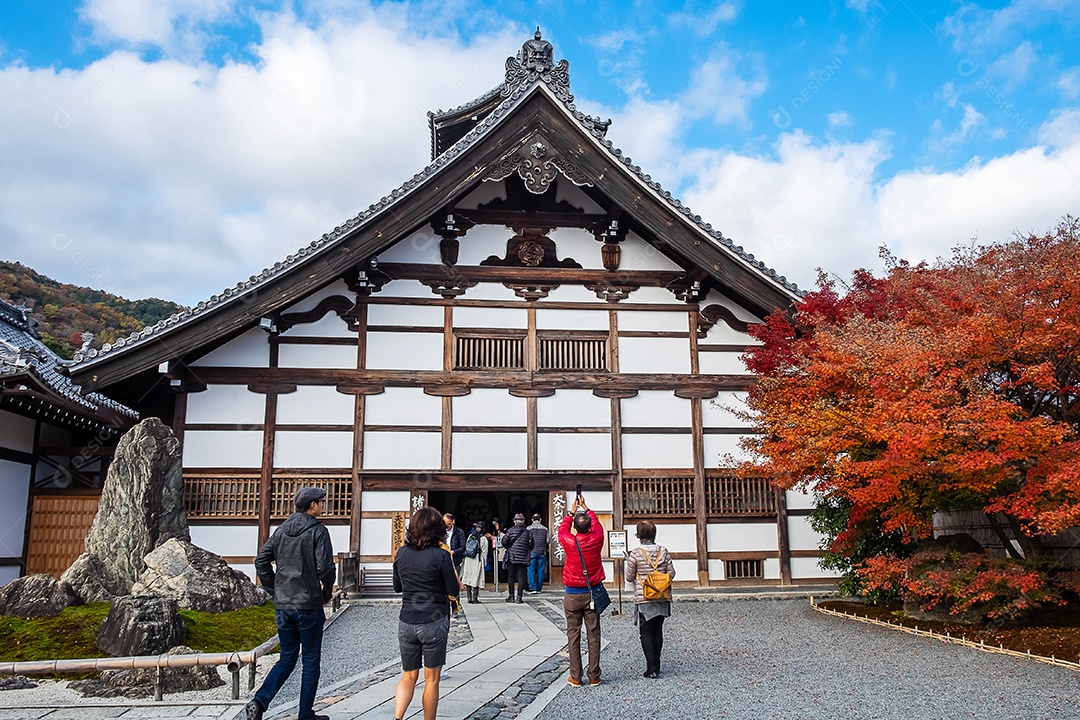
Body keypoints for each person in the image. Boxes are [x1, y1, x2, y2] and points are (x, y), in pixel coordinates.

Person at [247, 487, 335, 720]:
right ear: (313, 505)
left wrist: (274, 588)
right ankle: (305, 713)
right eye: (320, 502)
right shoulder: (318, 531)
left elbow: (261, 561)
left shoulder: (282, 530)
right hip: (307, 603)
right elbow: (325, 567)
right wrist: (326, 592)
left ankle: (259, 701)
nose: (322, 505)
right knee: (310, 659)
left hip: (284, 603)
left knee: (287, 657)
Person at [393, 506, 460, 720]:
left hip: (407, 620)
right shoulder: (440, 555)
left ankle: (397, 717)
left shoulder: (402, 553)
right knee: (431, 679)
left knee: (408, 675)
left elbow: (397, 586)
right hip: (433, 619)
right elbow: (453, 589)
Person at [557, 494, 605, 687]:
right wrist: (587, 508)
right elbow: (598, 526)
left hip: (572, 593)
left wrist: (571, 512)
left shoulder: (569, 541)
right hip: (592, 591)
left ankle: (575, 676)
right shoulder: (597, 539)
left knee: (573, 634)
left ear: (575, 528)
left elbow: (561, 530)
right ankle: (594, 674)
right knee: (593, 634)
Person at [624, 519, 675, 678]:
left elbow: (629, 577)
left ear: (638, 535)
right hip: (662, 595)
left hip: (644, 596)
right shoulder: (663, 551)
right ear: (654, 534)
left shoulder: (636, 554)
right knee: (657, 631)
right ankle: (657, 664)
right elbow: (671, 573)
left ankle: (651, 667)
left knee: (645, 632)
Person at [501, 512, 533, 603]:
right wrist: (526, 550)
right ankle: (519, 597)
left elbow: (504, 542)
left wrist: (509, 547)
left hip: (512, 557)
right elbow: (532, 544)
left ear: (515, 521)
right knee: (521, 577)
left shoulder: (510, 530)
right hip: (523, 557)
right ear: (523, 521)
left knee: (511, 576)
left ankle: (511, 596)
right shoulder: (527, 532)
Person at [461, 520, 489, 603]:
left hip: (469, 558)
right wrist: (485, 562)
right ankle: (475, 598)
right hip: (477, 559)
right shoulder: (483, 538)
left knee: (469, 578)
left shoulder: (470, 536)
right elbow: (485, 552)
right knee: (477, 578)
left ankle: (469, 597)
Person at [526, 513, 550, 593]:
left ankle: (533, 588)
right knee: (540, 570)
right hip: (542, 552)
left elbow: (526, 541)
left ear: (532, 520)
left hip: (532, 551)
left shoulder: (528, 528)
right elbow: (548, 540)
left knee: (531, 570)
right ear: (540, 520)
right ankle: (539, 588)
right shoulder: (545, 529)